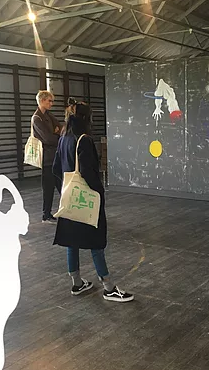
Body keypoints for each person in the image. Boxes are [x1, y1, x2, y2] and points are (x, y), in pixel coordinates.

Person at [52, 100, 134, 303]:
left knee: (72, 241)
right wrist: (98, 194)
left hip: (69, 198)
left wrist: (65, 191)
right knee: (96, 242)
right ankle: (108, 287)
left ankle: (77, 282)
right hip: (86, 198)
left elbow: (55, 169)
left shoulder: (63, 139)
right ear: (86, 119)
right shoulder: (84, 140)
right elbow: (89, 173)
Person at [32, 90, 62, 224]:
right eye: (49, 101)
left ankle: (66, 211)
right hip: (46, 159)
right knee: (48, 188)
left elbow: (61, 129)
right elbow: (48, 138)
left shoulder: (49, 116)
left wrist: (56, 133)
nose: (51, 103)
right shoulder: (37, 118)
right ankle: (46, 214)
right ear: (42, 100)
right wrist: (55, 134)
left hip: (55, 156)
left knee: (61, 186)